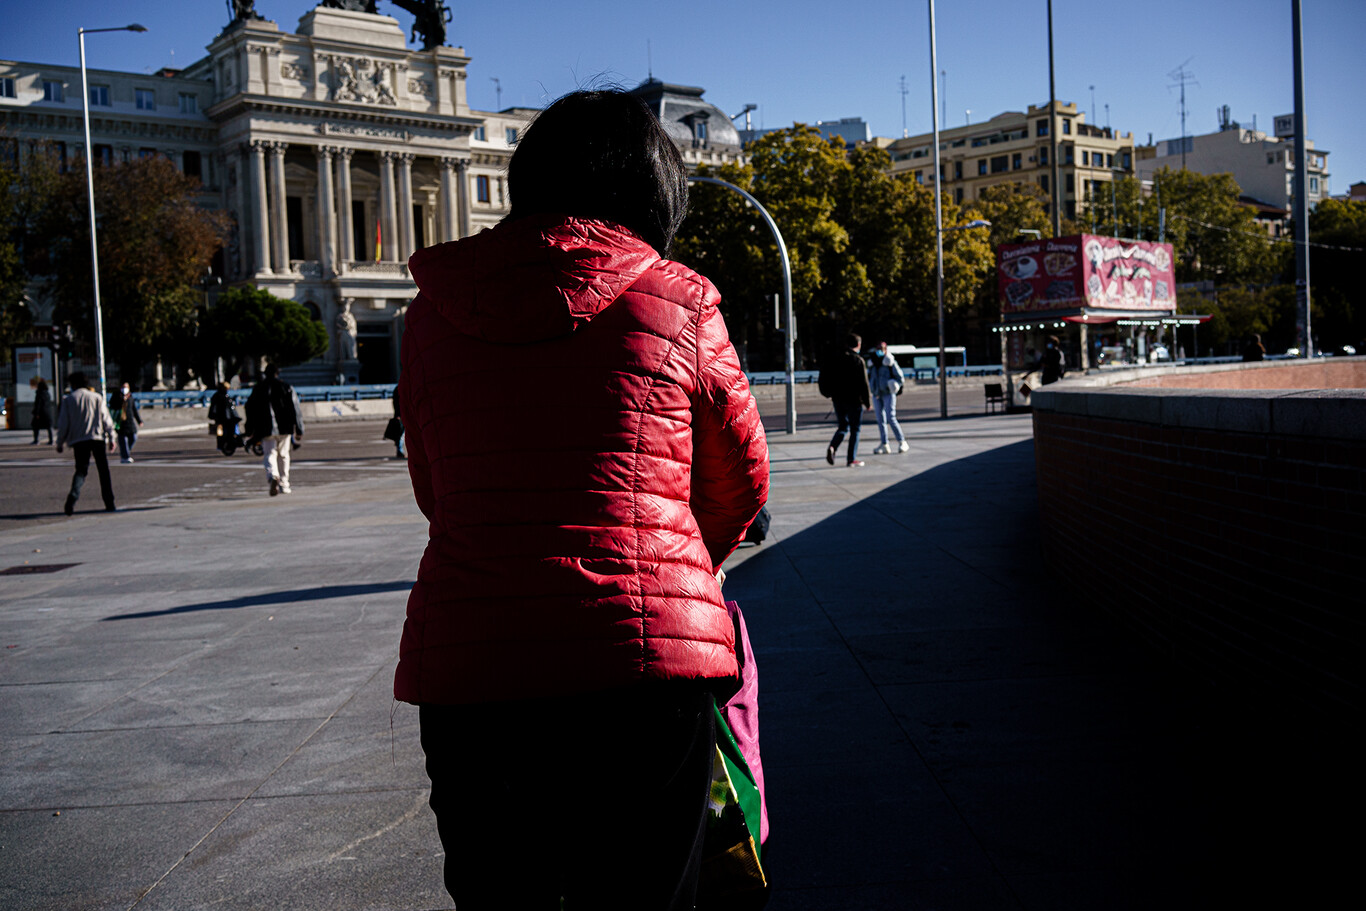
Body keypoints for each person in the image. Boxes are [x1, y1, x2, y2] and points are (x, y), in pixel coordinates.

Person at [395, 89, 769, 910]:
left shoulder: (428, 318)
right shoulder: (680, 298)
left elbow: (437, 488)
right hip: (643, 680)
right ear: (652, 195)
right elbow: (741, 479)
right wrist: (664, 560)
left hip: (472, 669)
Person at [54, 372, 117, 515]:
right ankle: (109, 502)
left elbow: (63, 423)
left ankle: (73, 497)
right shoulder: (96, 398)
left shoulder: (69, 400)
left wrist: (60, 442)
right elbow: (106, 419)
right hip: (97, 438)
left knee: (81, 471)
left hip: (79, 440)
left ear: (73, 384)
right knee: (103, 471)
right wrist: (112, 437)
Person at [243, 364, 304, 496]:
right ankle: (284, 483)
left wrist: (249, 429)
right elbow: (295, 409)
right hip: (285, 427)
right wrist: (299, 429)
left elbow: (250, 409)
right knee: (284, 455)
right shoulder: (286, 387)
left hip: (265, 428)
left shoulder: (258, 388)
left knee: (269, 454)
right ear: (278, 373)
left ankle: (272, 476)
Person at [820, 332, 871, 467]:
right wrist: (867, 402)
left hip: (838, 399)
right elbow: (863, 384)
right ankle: (851, 459)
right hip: (854, 400)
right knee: (855, 429)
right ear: (858, 344)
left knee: (843, 426)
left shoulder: (836, 359)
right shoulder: (858, 360)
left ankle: (833, 446)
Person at [867, 341, 908, 455]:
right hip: (876, 393)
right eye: (878, 348)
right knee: (880, 420)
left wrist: (893, 385)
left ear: (886, 349)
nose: (880, 350)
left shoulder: (890, 362)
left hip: (888, 392)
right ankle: (884, 444)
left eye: (882, 348)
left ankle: (902, 441)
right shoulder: (873, 363)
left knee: (891, 417)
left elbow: (900, 377)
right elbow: (870, 377)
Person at [108, 381, 143, 463]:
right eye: (123, 387)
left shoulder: (130, 397)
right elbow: (112, 406)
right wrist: (121, 400)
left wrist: (139, 421)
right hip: (120, 422)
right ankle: (125, 456)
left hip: (130, 421)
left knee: (133, 437)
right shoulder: (116, 396)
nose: (124, 389)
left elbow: (134, 410)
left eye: (126, 387)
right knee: (123, 440)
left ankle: (126, 451)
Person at [208, 381, 240, 454]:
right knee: (221, 433)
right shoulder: (219, 396)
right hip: (222, 418)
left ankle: (227, 443)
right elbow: (214, 407)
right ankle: (222, 445)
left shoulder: (224, 396)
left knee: (227, 432)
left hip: (226, 418)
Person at [30, 377, 53, 445]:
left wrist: (37, 413)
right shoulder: (47, 394)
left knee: (35, 426)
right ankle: (51, 440)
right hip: (47, 412)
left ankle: (36, 440)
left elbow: (38, 404)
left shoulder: (39, 394)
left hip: (40, 413)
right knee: (49, 427)